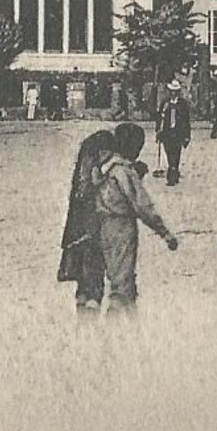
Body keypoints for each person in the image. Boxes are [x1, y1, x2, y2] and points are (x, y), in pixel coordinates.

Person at [91, 122, 178, 314]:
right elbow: (142, 205)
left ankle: (131, 322)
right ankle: (117, 331)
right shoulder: (124, 171)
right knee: (122, 283)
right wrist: (165, 233)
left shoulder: (105, 166)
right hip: (121, 228)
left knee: (118, 277)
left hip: (103, 226)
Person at [57, 129, 114, 314]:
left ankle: (82, 314)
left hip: (78, 234)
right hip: (93, 234)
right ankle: (90, 320)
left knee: (83, 282)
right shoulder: (96, 176)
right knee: (94, 279)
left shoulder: (80, 179)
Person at [156, 80, 192, 186]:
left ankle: (173, 173)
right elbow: (160, 118)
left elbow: (186, 121)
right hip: (167, 132)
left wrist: (187, 136)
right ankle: (173, 172)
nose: (173, 93)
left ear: (178, 92)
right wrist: (158, 130)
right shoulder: (165, 103)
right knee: (169, 153)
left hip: (178, 133)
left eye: (175, 91)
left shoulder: (183, 104)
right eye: (171, 91)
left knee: (176, 154)